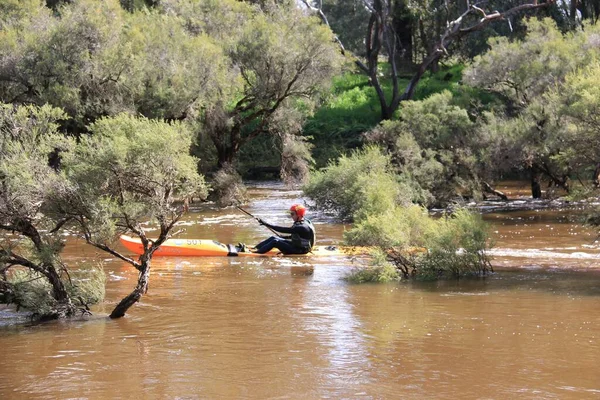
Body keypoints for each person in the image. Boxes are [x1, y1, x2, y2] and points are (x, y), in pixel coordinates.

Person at [251, 204, 316, 254]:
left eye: (292, 214)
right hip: (297, 246)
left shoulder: (302, 227)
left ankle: (257, 253)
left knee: (275, 242)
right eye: (291, 213)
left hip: (301, 250)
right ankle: (255, 248)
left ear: (299, 215)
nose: (291, 216)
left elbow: (283, 229)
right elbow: (299, 236)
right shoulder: (304, 221)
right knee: (273, 238)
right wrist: (284, 237)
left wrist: (266, 224)